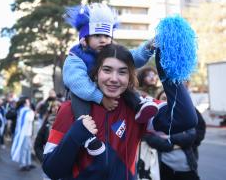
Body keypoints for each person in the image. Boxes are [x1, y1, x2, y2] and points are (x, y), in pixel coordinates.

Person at [42, 44, 198, 180]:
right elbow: (51, 170)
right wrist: (75, 135)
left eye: (122, 72)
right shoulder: (69, 109)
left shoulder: (139, 109)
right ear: (96, 73)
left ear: (130, 77)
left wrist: (167, 66)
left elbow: (185, 119)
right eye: (107, 70)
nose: (114, 78)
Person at [63, 3, 158, 156]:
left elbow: (132, 57)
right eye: (97, 36)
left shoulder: (111, 53)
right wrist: (101, 98)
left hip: (107, 97)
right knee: (77, 95)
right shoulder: (75, 57)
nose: (103, 40)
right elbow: (77, 82)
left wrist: (148, 48)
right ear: (83, 40)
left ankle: (139, 105)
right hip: (85, 97)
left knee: (121, 79)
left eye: (107, 36)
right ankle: (87, 135)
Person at [10, 96, 35, 171]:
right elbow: (31, 119)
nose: (29, 103)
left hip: (27, 132)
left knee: (28, 148)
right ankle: (23, 164)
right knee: (24, 148)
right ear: (24, 103)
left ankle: (28, 163)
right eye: (28, 102)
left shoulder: (24, 110)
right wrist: (32, 112)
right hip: (24, 133)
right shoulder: (25, 111)